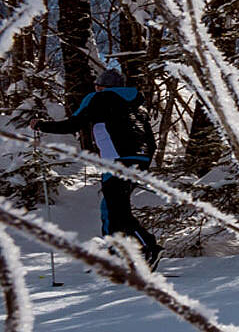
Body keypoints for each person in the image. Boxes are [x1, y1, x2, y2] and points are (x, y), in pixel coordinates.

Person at [31, 68, 162, 269]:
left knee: (117, 210)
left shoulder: (99, 98)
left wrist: (41, 125)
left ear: (102, 86)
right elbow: (149, 139)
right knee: (109, 208)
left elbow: (73, 124)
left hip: (118, 160)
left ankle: (148, 247)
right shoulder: (137, 105)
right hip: (140, 159)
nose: (95, 88)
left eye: (97, 85)